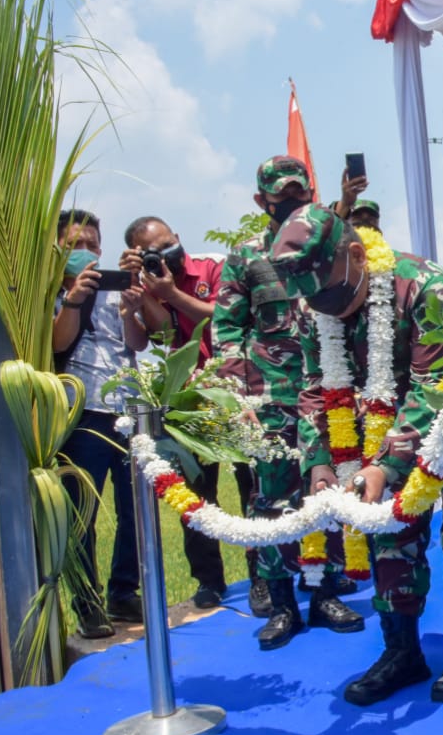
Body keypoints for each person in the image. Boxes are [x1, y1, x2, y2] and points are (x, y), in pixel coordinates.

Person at [273, 204, 443, 706]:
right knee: (389, 541)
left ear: (358, 255)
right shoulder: (314, 306)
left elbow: (436, 383)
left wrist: (387, 464)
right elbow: (313, 386)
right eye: (313, 298)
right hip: (368, 443)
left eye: (331, 292)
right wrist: (319, 459)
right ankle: (401, 650)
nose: (325, 307)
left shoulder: (426, 285)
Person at [213, 156, 364, 649]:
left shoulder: (328, 245)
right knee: (274, 501)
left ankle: (322, 593)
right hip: (271, 398)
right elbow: (228, 333)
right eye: (285, 197)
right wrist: (238, 397)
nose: (295, 202)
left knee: (328, 494)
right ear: (263, 201)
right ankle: (281, 604)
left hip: (330, 393)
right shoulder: (245, 258)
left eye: (302, 195)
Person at [121, 216, 253, 610]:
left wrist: (173, 295)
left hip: (237, 391)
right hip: (191, 400)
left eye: (168, 245)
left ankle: (263, 573)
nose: (165, 255)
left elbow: (223, 318)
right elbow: (156, 339)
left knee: (253, 486)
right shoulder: (147, 284)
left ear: (178, 237)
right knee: (198, 492)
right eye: (153, 252)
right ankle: (209, 580)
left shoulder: (212, 267)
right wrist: (138, 299)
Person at [52, 209, 149, 637]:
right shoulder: (48, 291)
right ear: (57, 249)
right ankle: (87, 603)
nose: (87, 252)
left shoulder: (115, 289)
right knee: (81, 513)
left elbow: (139, 343)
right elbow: (57, 342)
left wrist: (132, 309)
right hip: (80, 412)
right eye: (76, 245)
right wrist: (74, 297)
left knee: (135, 510)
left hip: (127, 412)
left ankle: (124, 593)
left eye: (93, 244)